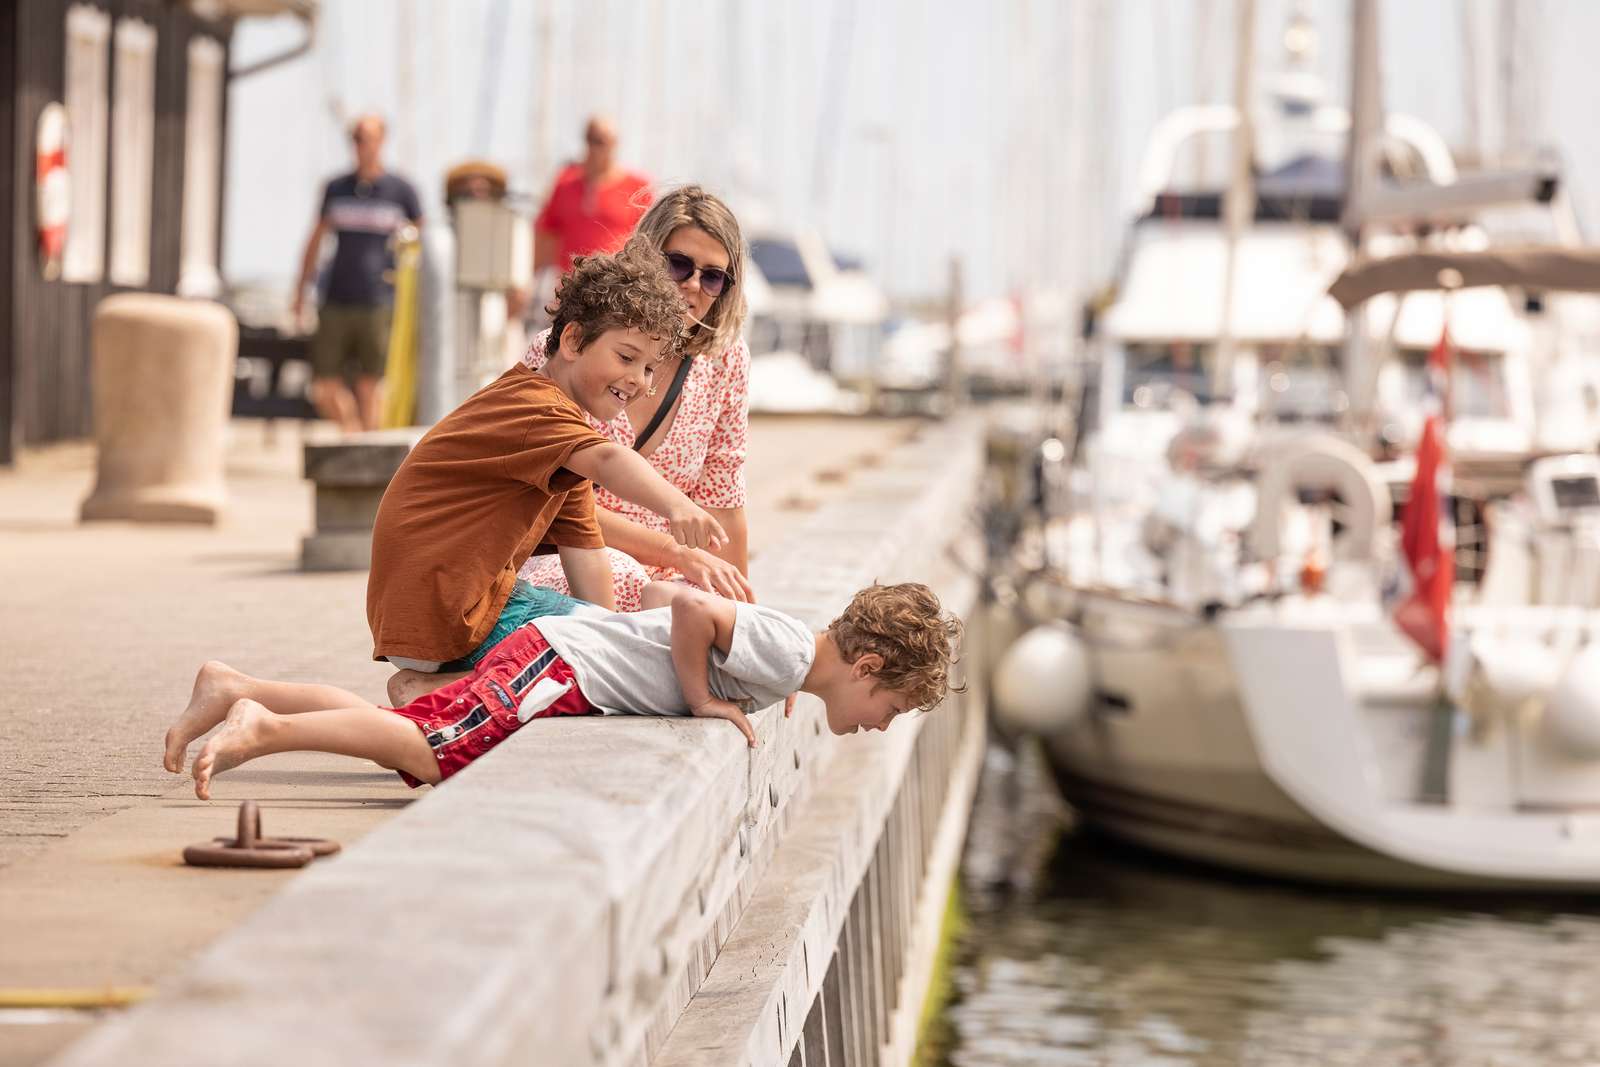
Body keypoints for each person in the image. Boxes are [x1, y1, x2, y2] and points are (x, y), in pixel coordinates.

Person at [161, 583, 963, 798]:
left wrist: (740, 685)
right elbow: (687, 607)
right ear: (866, 667)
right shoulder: (791, 653)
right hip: (557, 668)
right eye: (890, 709)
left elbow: (665, 601)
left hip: (556, 655)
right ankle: (265, 727)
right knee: (434, 751)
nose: (882, 726)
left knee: (408, 721)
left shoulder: (789, 659)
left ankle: (238, 684)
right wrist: (701, 697)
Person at [367, 240, 729, 703]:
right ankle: (437, 690)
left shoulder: (560, 437)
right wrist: (676, 505)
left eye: (650, 368)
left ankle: (450, 689)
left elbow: (587, 554)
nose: (638, 379)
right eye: (625, 357)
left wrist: (608, 642)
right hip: (447, 609)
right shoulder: (537, 410)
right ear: (574, 340)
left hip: (445, 608)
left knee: (617, 649)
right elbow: (609, 459)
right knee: (634, 662)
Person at [519, 186, 753, 611]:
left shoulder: (725, 361)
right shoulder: (569, 350)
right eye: (678, 265)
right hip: (565, 557)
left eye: (713, 276)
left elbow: (724, 497)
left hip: (670, 571)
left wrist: (741, 606)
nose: (693, 286)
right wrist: (673, 552)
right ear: (645, 257)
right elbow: (556, 504)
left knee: (712, 615)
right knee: (626, 581)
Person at [293, 115, 424, 432]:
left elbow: (423, 248)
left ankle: (370, 464)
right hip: (335, 296)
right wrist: (300, 292)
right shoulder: (336, 188)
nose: (363, 145)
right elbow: (315, 241)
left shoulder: (402, 191)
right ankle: (352, 436)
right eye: (357, 139)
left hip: (380, 299)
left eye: (368, 138)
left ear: (382, 141)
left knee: (372, 387)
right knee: (324, 386)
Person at [533, 115, 652, 275]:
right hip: (570, 285)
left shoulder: (638, 187)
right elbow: (546, 234)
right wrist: (528, 279)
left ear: (614, 144)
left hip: (616, 284)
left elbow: (649, 241)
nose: (595, 148)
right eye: (591, 140)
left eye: (601, 141)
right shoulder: (564, 184)